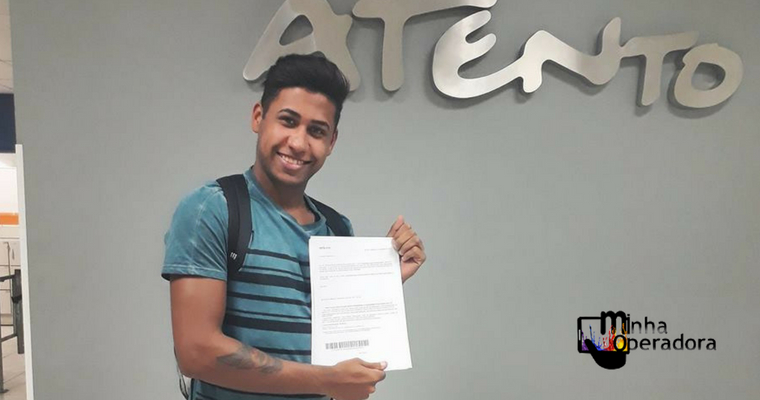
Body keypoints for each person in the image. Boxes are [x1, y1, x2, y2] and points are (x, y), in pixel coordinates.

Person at [162, 54, 427, 400]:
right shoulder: (213, 209)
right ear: (258, 117)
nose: (299, 143)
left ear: (331, 142)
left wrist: (384, 280)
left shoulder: (337, 228)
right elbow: (196, 352)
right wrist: (325, 381)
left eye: (316, 131)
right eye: (288, 121)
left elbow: (341, 348)